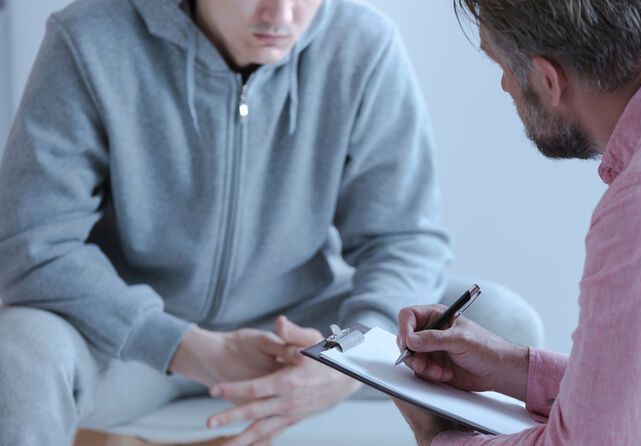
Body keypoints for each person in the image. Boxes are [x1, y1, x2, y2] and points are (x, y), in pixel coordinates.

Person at [0, 0, 543, 445]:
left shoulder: (363, 45)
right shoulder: (88, 41)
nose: (281, 15)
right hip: (133, 340)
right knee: (15, 359)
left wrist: (350, 361)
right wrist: (183, 346)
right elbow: (34, 243)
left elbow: (404, 237)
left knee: (502, 324)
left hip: (305, 331)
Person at [393, 1, 641, 445]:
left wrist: (441, 438)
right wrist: (515, 368)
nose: (505, 85)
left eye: (502, 66)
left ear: (548, 79)